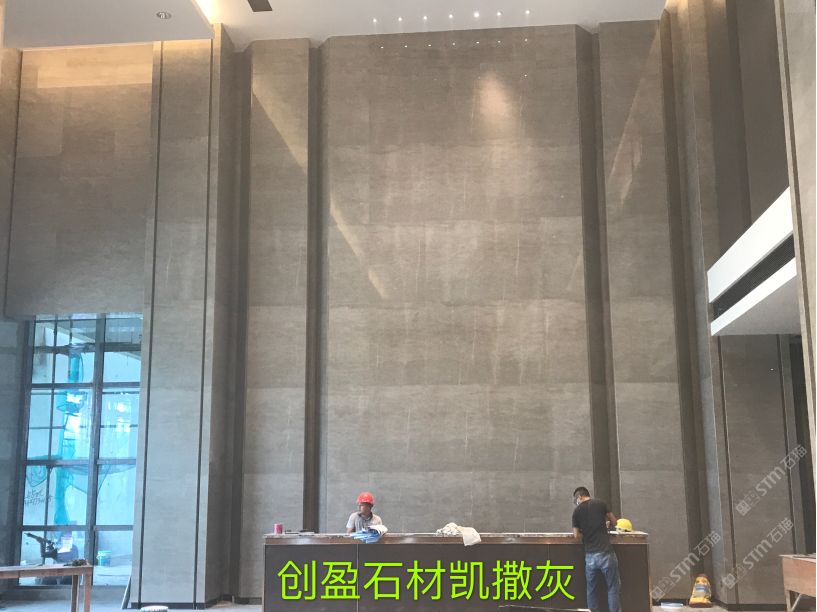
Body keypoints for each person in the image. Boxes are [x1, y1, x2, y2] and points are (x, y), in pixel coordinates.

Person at [572, 486, 621, 612]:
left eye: (576, 500)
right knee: (612, 587)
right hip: (606, 553)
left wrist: (585, 532)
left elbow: (576, 535)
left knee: (591, 589)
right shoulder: (601, 503)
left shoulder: (576, 512)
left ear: (579, 497)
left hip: (590, 556)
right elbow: (615, 522)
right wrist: (605, 525)